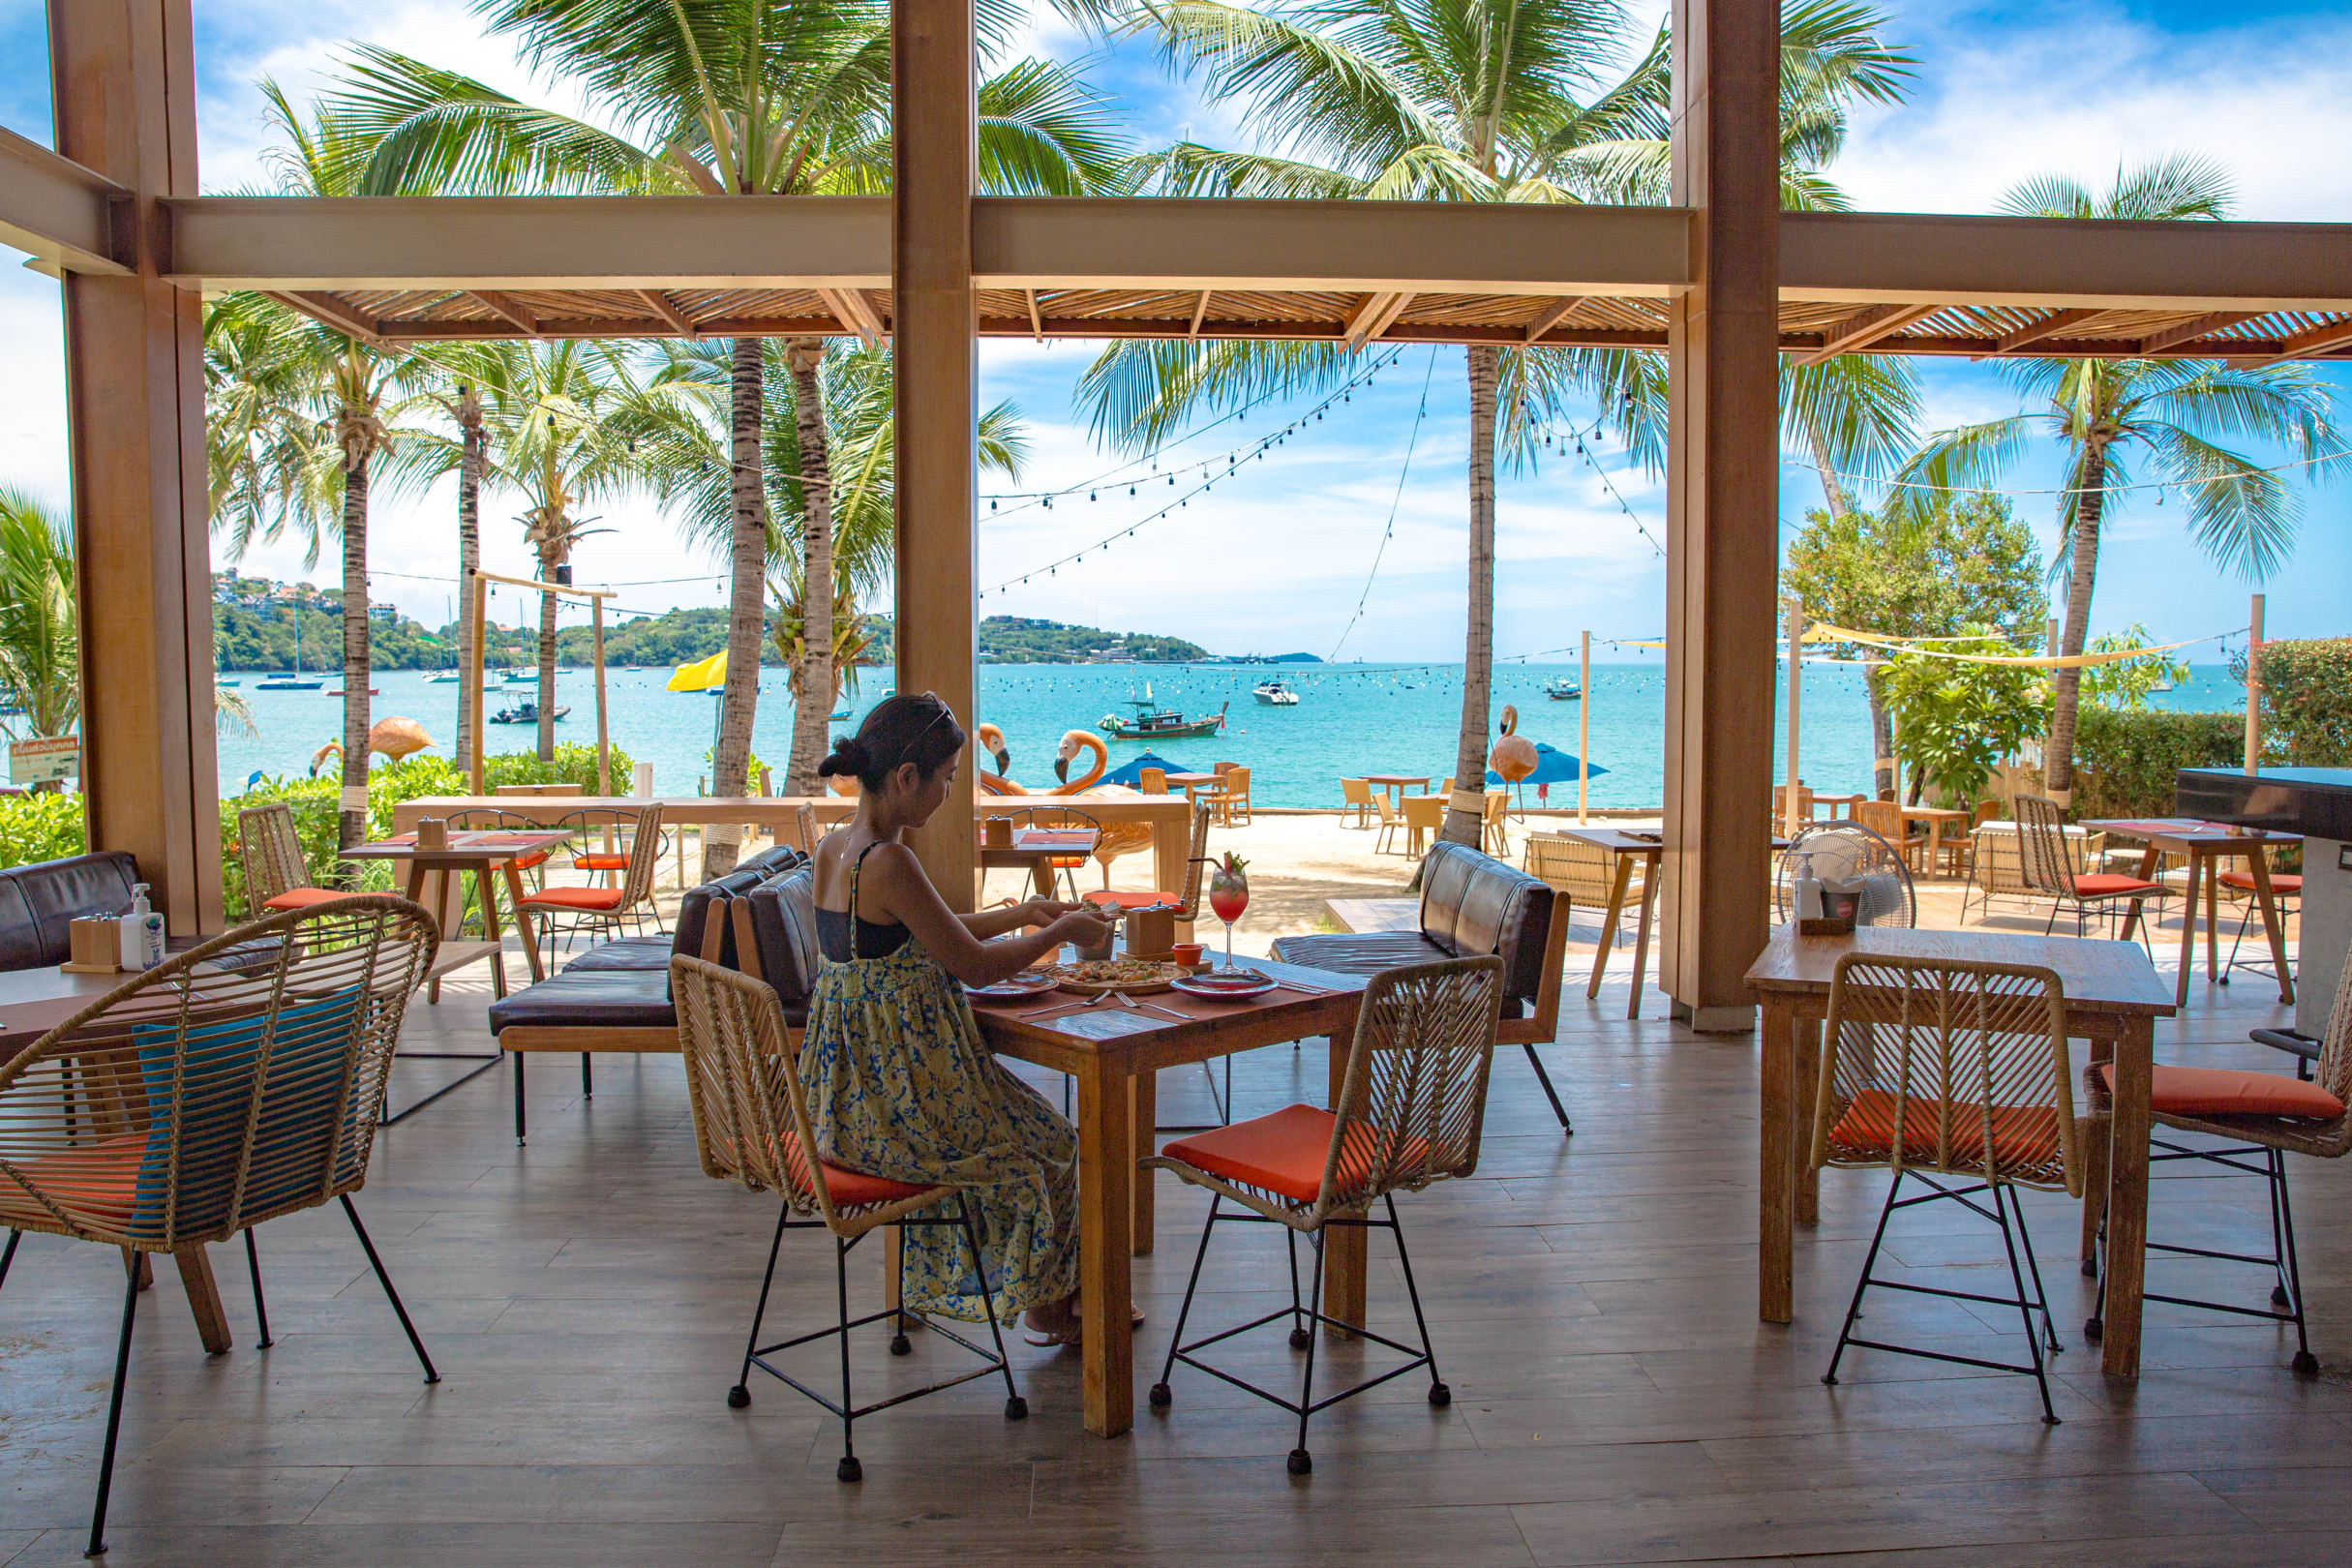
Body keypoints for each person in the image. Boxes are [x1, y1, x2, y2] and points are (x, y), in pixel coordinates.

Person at [802, 692, 1117, 1344]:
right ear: (906, 777)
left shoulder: (835, 848)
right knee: (1055, 1144)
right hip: (905, 1104)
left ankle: (1046, 1293)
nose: (949, 793)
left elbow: (922, 930)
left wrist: (1023, 913)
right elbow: (972, 967)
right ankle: (1048, 1305)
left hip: (842, 1102)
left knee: (1039, 1137)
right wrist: (1058, 931)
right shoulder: (890, 861)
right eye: (946, 779)